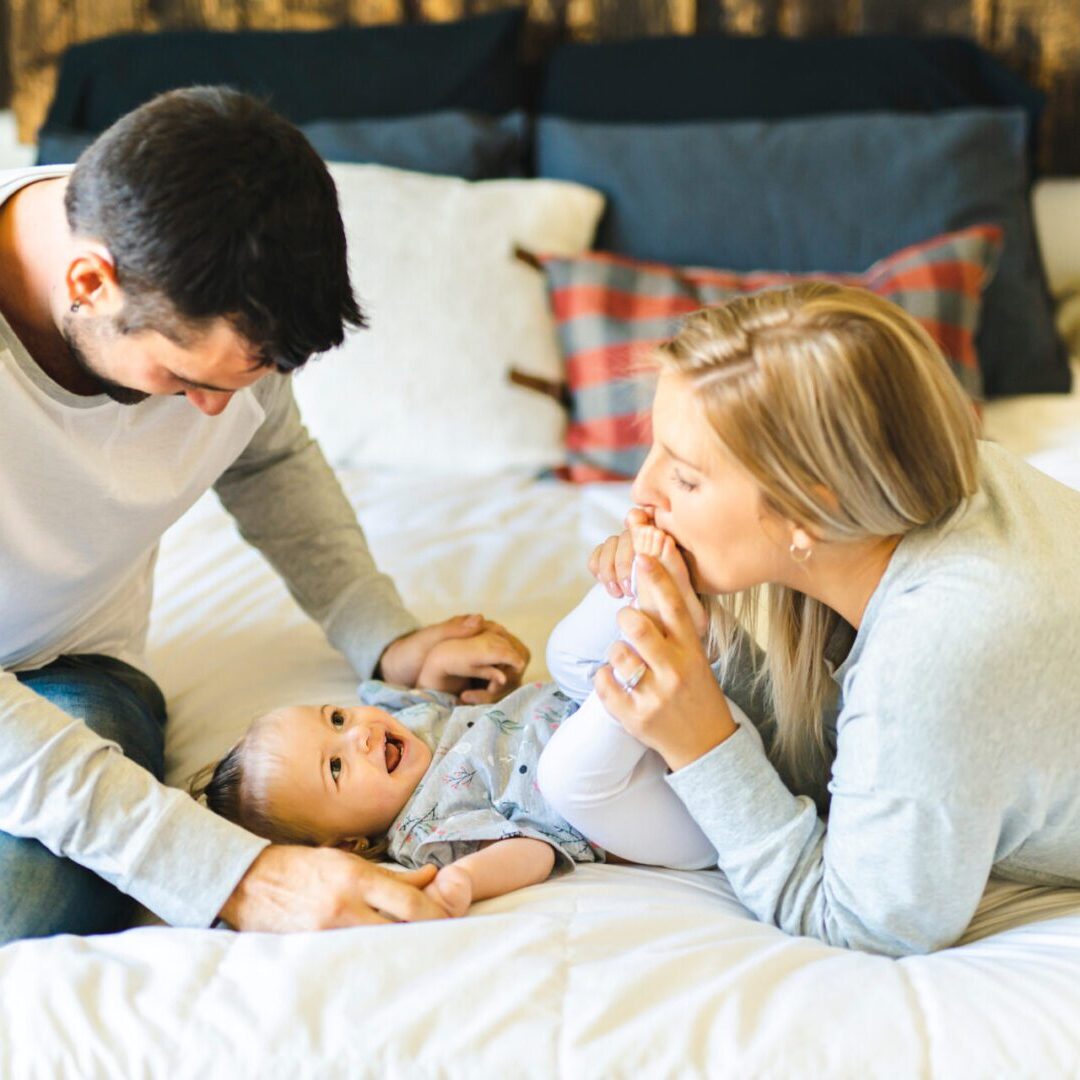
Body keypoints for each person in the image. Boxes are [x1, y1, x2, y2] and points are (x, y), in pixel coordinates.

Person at [0, 86, 531, 946]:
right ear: (89, 282)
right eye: (189, 381)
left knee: (26, 900)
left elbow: (266, 453)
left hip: (72, 667)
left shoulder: (223, 284)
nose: (210, 413)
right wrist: (238, 875)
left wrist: (383, 634)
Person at [577, 281, 1080, 957]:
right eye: (656, 450)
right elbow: (845, 743)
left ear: (808, 513)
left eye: (688, 479)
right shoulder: (944, 483)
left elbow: (867, 925)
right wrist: (710, 654)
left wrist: (704, 745)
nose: (641, 492)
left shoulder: (941, 645)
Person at [192, 524, 756, 916]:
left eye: (335, 718)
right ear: (351, 844)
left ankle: (654, 582)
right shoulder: (425, 836)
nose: (358, 735)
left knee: (562, 654)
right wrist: (465, 882)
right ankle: (651, 662)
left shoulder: (405, 721)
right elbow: (534, 851)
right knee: (567, 779)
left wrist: (446, 669)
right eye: (335, 766)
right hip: (678, 806)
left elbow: (438, 697)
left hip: (662, 729)